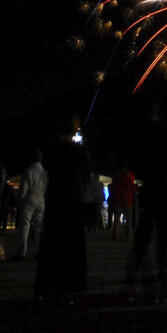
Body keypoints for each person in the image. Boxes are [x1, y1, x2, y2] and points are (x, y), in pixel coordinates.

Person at [128, 93, 167, 303]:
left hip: (150, 193)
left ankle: (135, 283)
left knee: (144, 239)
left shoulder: (148, 135)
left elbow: (136, 164)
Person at [34, 116, 90, 306]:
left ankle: (47, 287)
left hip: (55, 201)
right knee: (71, 247)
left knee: (51, 245)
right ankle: (67, 290)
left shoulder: (51, 150)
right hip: (73, 204)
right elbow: (85, 177)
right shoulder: (79, 151)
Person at [14, 150, 48, 260]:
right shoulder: (45, 173)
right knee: (38, 227)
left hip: (30, 197)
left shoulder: (29, 171)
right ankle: (38, 251)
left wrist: (20, 198)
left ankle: (22, 252)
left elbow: (23, 188)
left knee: (25, 225)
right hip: (41, 198)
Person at [112, 165, 136, 240]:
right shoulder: (130, 175)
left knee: (117, 219)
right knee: (129, 219)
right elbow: (132, 187)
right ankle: (129, 236)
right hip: (128, 199)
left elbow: (114, 188)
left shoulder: (116, 176)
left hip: (118, 199)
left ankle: (116, 235)